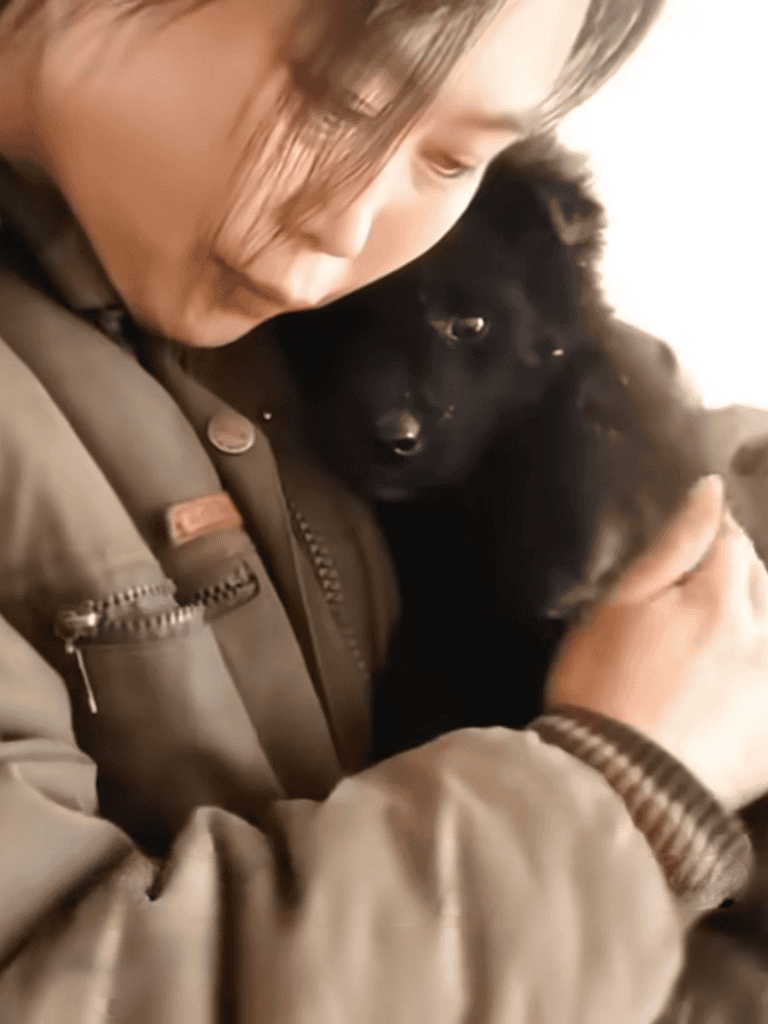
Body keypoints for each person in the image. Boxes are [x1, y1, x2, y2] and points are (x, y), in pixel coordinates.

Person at [0, 0, 766, 1020]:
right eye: (335, 102)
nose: (351, 224)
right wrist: (620, 797)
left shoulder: (243, 272)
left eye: (454, 160)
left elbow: (622, 401)